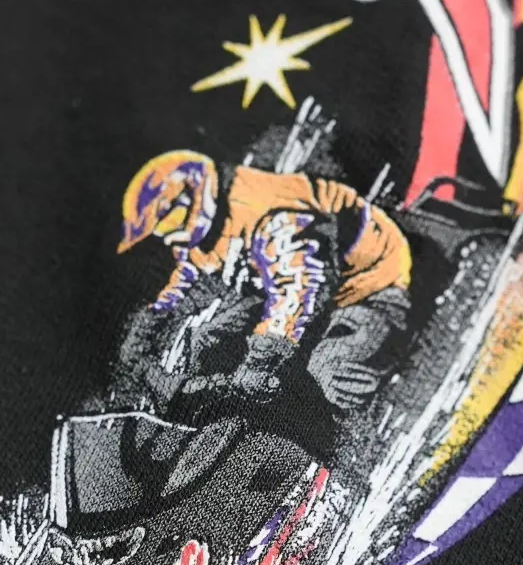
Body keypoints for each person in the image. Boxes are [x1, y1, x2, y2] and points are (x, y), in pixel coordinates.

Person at [116, 149, 416, 415]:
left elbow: (295, 293)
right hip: (301, 286)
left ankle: (393, 368)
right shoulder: (198, 232)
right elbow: (185, 278)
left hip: (371, 287)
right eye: (162, 231)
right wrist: (148, 325)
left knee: (326, 371)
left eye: (170, 222)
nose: (171, 237)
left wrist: (259, 364)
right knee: (207, 339)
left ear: (194, 193)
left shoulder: (272, 216)